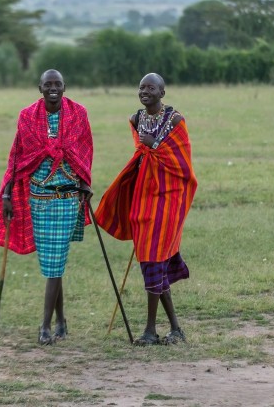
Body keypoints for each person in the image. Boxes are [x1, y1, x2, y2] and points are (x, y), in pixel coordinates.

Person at [0, 69, 93, 346]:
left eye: (58, 84)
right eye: (48, 84)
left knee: (54, 261)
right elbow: (17, 157)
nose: (53, 88)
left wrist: (85, 180)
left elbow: (85, 150)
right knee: (53, 263)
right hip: (39, 199)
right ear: (39, 88)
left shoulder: (78, 114)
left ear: (64, 87)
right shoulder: (27, 116)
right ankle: (61, 320)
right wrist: (6, 194)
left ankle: (46, 326)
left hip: (66, 199)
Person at [95, 72, 197, 346]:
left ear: (162, 93)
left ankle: (151, 330)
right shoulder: (135, 119)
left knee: (154, 258)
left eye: (151, 87)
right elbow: (140, 156)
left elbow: (182, 165)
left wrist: (155, 147)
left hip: (168, 199)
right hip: (143, 197)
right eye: (141, 87)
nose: (145, 91)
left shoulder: (175, 121)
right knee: (152, 262)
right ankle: (175, 328)